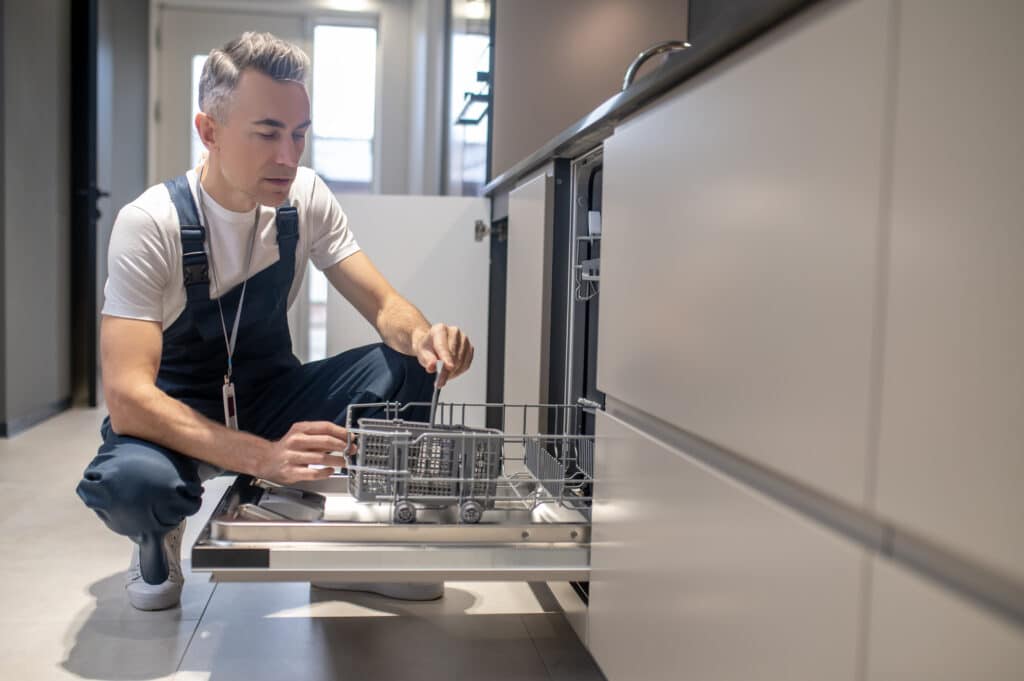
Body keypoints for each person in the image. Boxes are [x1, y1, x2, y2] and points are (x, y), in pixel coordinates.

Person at [75, 32, 474, 611]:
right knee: (136, 486)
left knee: (405, 360)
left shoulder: (305, 197)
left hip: (270, 397)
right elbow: (129, 396)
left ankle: (359, 550)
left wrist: (424, 336)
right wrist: (261, 458)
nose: (289, 156)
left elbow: (385, 306)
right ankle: (155, 538)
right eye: (267, 133)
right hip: (176, 415)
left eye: (299, 134)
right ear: (209, 131)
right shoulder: (151, 224)